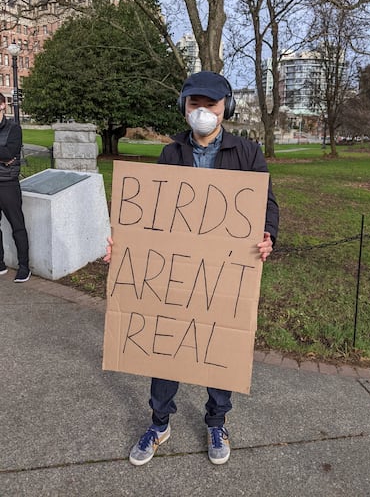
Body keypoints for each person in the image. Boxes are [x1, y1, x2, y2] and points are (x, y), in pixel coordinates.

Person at [104, 71, 279, 466]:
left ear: (226, 109)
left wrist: (268, 235)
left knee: (219, 344)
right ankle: (159, 421)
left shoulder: (248, 153)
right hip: (175, 274)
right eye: (194, 104)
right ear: (184, 108)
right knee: (166, 343)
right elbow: (151, 212)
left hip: (224, 274)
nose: (202, 112)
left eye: (211, 105)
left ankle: (217, 421)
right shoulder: (171, 153)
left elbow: (268, 204)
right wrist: (125, 243)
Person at [0, 93, 31, 282]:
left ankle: (24, 267)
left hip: (7, 184)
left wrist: (5, 156)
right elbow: (3, 155)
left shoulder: (13, 129)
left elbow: (10, 152)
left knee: (17, 226)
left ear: (2, 105)